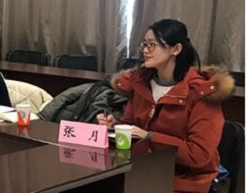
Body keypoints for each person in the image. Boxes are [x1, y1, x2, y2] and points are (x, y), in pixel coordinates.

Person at [97, 19, 233, 193]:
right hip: (142, 171)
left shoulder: (201, 93)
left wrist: (149, 136)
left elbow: (198, 155)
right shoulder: (140, 83)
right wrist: (115, 127)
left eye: (152, 45)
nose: (145, 50)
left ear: (176, 49)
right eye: (144, 44)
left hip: (184, 180)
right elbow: (131, 127)